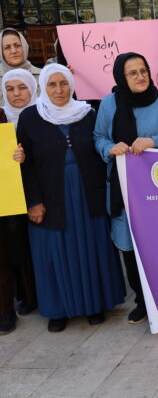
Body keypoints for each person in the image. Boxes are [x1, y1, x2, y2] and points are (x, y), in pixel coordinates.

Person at [17, 64, 125, 333]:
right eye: (52, 84)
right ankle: (58, 310)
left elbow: (102, 147)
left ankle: (94, 305)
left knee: (91, 249)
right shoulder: (30, 117)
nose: (59, 90)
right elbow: (25, 164)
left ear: (72, 85)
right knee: (54, 254)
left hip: (87, 195)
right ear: (43, 87)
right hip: (49, 198)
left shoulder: (88, 113)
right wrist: (33, 201)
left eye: (63, 83)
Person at [93, 53, 158, 324]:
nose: (140, 76)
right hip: (124, 191)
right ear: (121, 77)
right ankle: (143, 301)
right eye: (132, 73)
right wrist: (110, 148)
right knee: (130, 247)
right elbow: (98, 137)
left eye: (143, 70)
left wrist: (155, 141)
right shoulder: (109, 104)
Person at [0, 69, 38, 334]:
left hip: (36, 193)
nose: (16, 94)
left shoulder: (45, 113)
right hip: (8, 196)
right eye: (10, 89)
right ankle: (19, 296)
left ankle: (33, 295)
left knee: (30, 246)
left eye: (22, 87)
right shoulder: (3, 117)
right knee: (12, 247)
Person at [0, 29, 41, 105]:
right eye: (7, 47)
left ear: (24, 46)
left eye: (17, 45)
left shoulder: (42, 76)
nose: (14, 51)